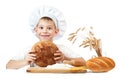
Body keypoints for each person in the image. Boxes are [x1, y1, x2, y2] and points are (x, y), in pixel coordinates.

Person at [6, 6, 86, 69]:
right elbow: (9, 65)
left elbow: (83, 62)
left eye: (49, 28)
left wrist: (65, 58)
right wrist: (26, 61)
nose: (44, 31)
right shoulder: (29, 50)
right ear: (36, 30)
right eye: (41, 28)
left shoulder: (62, 50)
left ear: (56, 31)